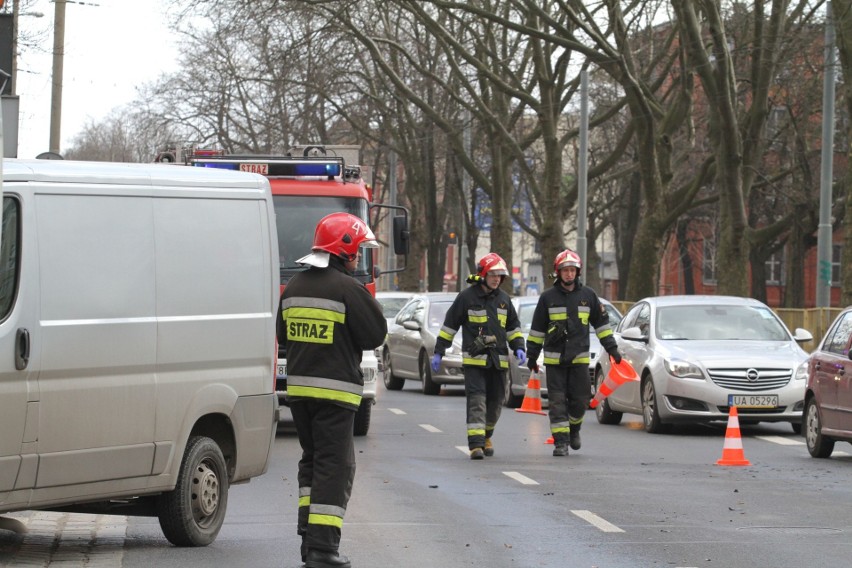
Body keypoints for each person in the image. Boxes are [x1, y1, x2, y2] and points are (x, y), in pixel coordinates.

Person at [277, 212, 387, 568]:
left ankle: (309, 540)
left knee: (312, 462)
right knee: (335, 467)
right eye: (356, 251)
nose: (357, 259)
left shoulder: (294, 287)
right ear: (345, 249)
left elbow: (283, 334)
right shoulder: (347, 288)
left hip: (299, 394)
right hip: (335, 396)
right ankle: (323, 550)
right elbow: (375, 335)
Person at [525, 249, 621, 457]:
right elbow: (537, 331)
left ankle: (574, 428)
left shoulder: (588, 296)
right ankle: (561, 442)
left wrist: (612, 349)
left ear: (578, 272)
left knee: (580, 401)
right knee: (557, 402)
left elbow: (602, 326)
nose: (569, 274)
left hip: (579, 359)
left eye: (572, 270)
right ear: (558, 273)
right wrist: (532, 356)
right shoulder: (547, 298)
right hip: (554, 360)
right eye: (565, 270)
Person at [432, 253, 526, 460]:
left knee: (496, 402)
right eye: (492, 274)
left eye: (499, 275)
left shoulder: (504, 300)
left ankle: (486, 436)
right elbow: (450, 326)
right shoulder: (467, 298)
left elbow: (513, 328)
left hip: (499, 361)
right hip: (475, 362)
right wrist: (439, 351)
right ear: (483, 274)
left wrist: (519, 346)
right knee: (477, 401)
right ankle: (475, 445)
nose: (496, 279)